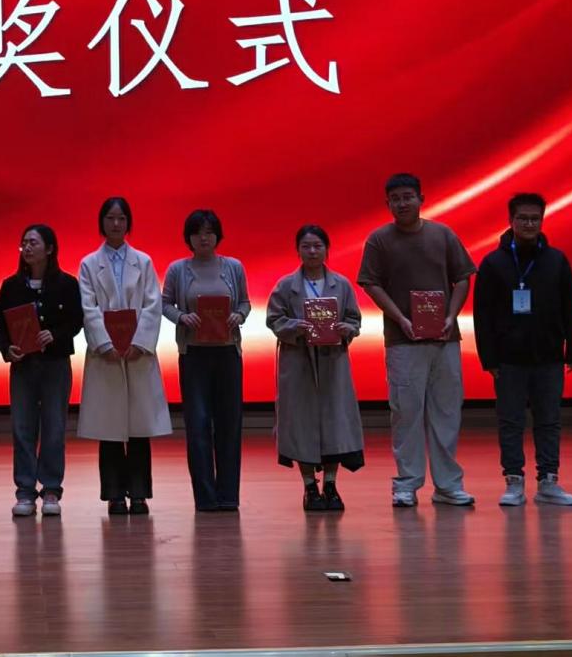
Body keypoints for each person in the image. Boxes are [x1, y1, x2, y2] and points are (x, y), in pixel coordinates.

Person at [357, 173, 478, 508]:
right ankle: (406, 484)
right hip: (403, 341)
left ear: (421, 199)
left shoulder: (443, 234)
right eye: (395, 199)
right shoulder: (379, 240)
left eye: (408, 196)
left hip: (445, 339)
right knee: (406, 413)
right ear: (388, 204)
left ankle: (448, 486)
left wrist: (451, 316)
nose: (402, 203)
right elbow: (371, 284)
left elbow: (463, 278)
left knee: (446, 412)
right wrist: (401, 319)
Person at [473, 193, 572, 507]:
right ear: (511, 220)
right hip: (507, 359)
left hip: (549, 355)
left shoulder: (556, 260)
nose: (529, 224)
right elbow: (482, 314)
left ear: (542, 221)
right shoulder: (493, 263)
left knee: (549, 420)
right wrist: (488, 358)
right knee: (510, 421)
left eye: (535, 219)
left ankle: (548, 481)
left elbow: (571, 307)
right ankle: (513, 482)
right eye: (522, 218)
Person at [78, 196, 171, 515]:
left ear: (128, 223)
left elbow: (152, 304)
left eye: (121, 218)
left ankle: (140, 494)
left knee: (139, 428)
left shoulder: (143, 262)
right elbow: (88, 307)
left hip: (137, 354)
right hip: (106, 356)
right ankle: (115, 494)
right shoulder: (89, 264)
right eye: (110, 218)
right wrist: (105, 343)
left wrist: (139, 342)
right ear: (101, 223)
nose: (116, 224)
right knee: (109, 427)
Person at [265, 224, 364, 512]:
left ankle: (331, 485)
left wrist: (347, 329)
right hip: (298, 361)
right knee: (301, 423)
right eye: (306, 246)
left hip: (333, 362)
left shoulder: (341, 285)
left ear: (326, 250)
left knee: (335, 422)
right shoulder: (286, 286)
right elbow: (273, 320)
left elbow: (355, 320)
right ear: (298, 250)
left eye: (317, 246)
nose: (312, 251)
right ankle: (310, 487)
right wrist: (294, 326)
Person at [160, 209, 250, 512]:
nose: (204, 238)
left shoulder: (233, 267)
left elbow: (245, 302)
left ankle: (228, 495)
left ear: (217, 236)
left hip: (227, 353)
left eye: (210, 232)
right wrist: (182, 317)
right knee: (197, 424)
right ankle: (205, 497)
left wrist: (239, 315)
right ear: (189, 238)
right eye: (198, 232)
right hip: (194, 354)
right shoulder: (178, 269)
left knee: (229, 423)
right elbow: (165, 303)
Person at [0, 224, 84, 517]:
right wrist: (7, 349)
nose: (28, 248)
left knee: (54, 427)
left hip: (55, 364)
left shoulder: (67, 284)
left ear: (50, 248)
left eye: (34, 242)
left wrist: (55, 335)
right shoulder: (11, 286)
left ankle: (51, 489)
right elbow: (0, 326)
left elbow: (76, 321)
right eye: (24, 243)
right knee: (22, 428)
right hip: (23, 366)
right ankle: (24, 490)